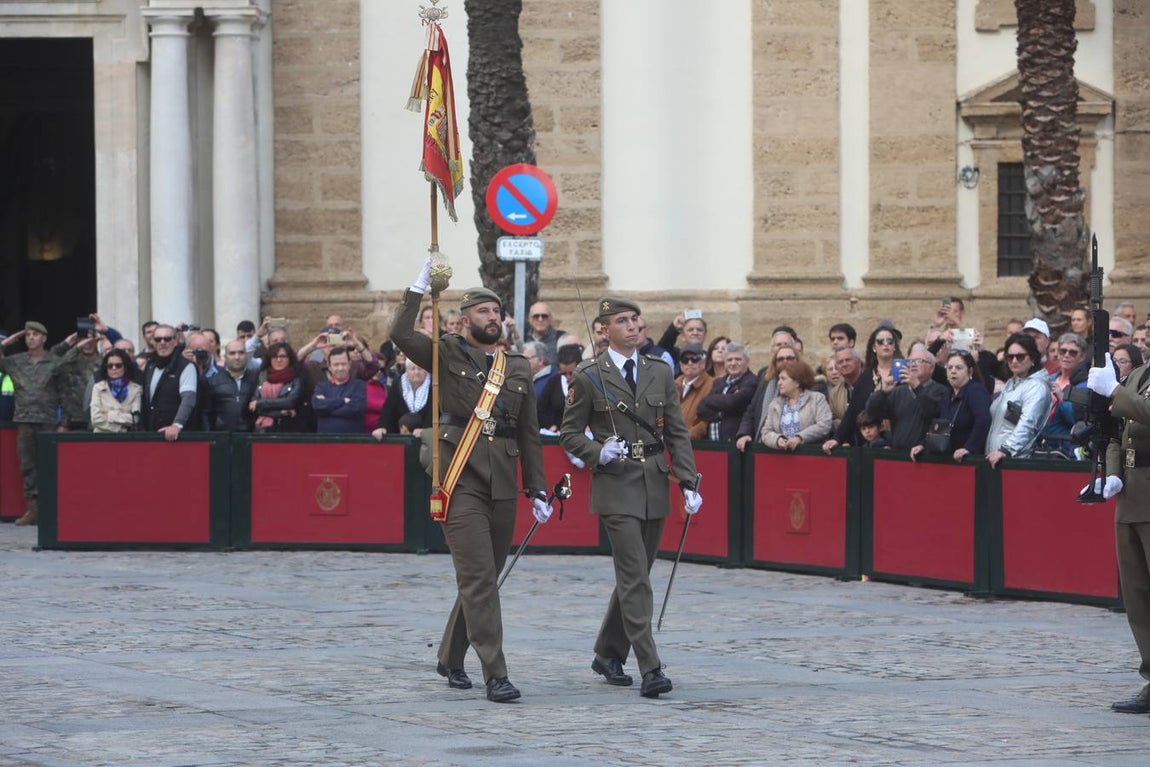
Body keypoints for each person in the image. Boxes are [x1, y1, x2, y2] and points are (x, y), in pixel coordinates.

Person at [392, 261, 550, 704]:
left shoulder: (516, 367)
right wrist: (418, 286)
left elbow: (529, 432)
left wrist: (536, 486)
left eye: (496, 311)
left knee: (485, 577)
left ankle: (449, 655)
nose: (492, 317)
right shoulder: (445, 351)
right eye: (482, 311)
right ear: (464, 320)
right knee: (479, 577)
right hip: (460, 478)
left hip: (502, 479)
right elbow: (400, 334)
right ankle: (495, 674)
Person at [560, 295, 701, 699]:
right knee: (636, 578)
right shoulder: (589, 375)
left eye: (636, 319)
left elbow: (676, 430)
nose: (634, 326)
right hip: (616, 485)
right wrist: (595, 452)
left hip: (654, 482)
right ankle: (650, 666)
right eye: (623, 321)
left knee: (635, 575)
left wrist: (688, 481)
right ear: (604, 330)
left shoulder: (658, 371)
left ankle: (607, 652)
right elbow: (570, 432)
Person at [1084, 351, 1150, 715]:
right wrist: (1112, 473)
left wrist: (1115, 391)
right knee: (1138, 598)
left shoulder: (1127, 385)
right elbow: (1115, 433)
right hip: (1131, 496)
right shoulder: (1138, 375)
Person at [0, 322, 66, 525]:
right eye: (28, 335)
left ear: (44, 338)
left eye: (35, 334)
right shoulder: (16, 361)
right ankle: (33, 510)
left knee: (49, 466)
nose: (31, 338)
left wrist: (64, 422)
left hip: (48, 422)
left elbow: (64, 393)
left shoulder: (55, 362)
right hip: (25, 421)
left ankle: (50, 510)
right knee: (27, 466)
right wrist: (6, 343)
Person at [823, 325, 902, 452]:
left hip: (899, 441)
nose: (885, 344)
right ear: (874, 347)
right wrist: (837, 438)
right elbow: (852, 411)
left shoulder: (905, 373)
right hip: (869, 445)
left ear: (895, 346)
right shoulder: (865, 377)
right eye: (880, 342)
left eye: (890, 341)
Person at [910, 351, 992, 463]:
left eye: (959, 368)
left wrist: (969, 448)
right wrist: (923, 444)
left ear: (970, 371)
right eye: (949, 367)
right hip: (947, 457)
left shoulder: (976, 391)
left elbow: (983, 420)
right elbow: (940, 425)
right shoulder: (948, 394)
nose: (953, 371)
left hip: (967, 460)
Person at [985, 333, 1052, 467]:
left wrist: (1006, 450)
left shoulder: (1037, 387)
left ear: (1032, 357)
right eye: (1009, 357)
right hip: (995, 458)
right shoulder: (1011, 383)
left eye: (1020, 356)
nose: (1014, 361)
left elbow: (1028, 423)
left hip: (1017, 461)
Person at [864, 348, 946, 449]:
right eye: (910, 361)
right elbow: (872, 412)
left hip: (924, 455)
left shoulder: (940, 390)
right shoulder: (898, 391)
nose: (913, 364)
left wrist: (917, 387)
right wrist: (883, 392)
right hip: (899, 455)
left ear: (931, 368)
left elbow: (934, 413)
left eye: (919, 361)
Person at [734, 345, 799, 452]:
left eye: (790, 358)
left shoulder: (809, 386)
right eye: (780, 359)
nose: (785, 361)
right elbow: (752, 411)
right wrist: (744, 433)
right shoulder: (766, 382)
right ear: (775, 363)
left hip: (794, 449)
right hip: (763, 446)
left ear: (798, 360)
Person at [142, 324, 201, 439]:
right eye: (158, 339)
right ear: (153, 342)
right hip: (153, 433)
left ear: (175, 341)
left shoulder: (186, 366)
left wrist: (177, 425)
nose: (162, 342)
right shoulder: (150, 365)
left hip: (178, 436)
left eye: (167, 339)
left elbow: (188, 399)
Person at [759, 360, 833, 451]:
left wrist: (800, 438)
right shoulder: (775, 404)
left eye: (783, 379)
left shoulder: (817, 399)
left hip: (811, 456)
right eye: (779, 379)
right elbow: (766, 431)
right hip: (782, 457)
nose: (779, 383)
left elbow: (825, 424)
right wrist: (777, 440)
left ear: (797, 382)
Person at [696, 342, 757, 442]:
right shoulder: (718, 382)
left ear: (747, 362)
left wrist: (710, 401)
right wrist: (724, 411)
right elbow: (701, 410)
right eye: (729, 360)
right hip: (712, 445)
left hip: (734, 445)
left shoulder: (752, 381)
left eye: (738, 359)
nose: (733, 363)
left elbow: (733, 402)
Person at [250, 342, 309, 433]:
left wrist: (260, 403)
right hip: (263, 431)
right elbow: (254, 407)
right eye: (274, 356)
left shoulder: (297, 377)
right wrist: (280, 413)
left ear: (290, 358)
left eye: (283, 356)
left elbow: (290, 402)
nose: (278, 360)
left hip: (289, 430)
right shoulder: (261, 376)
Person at [205, 339, 259, 431]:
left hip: (250, 437)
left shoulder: (257, 379)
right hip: (222, 437)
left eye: (241, 353)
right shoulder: (212, 381)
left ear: (246, 355)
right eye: (232, 353)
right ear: (225, 356)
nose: (237, 357)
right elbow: (206, 413)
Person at [311, 346, 366, 433]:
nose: (340, 368)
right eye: (336, 364)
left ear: (349, 364)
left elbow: (356, 409)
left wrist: (326, 409)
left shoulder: (359, 385)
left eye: (343, 364)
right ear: (329, 366)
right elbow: (317, 406)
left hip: (353, 442)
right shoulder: (321, 387)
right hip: (325, 442)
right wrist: (343, 401)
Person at [371, 358, 431, 438]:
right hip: (400, 436)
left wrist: (426, 431)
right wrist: (382, 427)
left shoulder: (434, 385)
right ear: (406, 370)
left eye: (420, 369)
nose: (416, 372)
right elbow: (389, 409)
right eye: (412, 369)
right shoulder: (398, 382)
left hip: (427, 438)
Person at [90, 348, 142, 433]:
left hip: (125, 440)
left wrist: (110, 415)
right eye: (110, 366)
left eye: (118, 365)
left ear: (125, 367)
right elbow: (95, 419)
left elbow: (135, 419)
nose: (114, 368)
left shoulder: (136, 389)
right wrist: (121, 428)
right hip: (101, 439)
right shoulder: (98, 387)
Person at [674, 342, 713, 440]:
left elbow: (707, 421)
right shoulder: (672, 385)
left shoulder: (712, 384)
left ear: (703, 363)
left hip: (697, 445)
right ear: (680, 365)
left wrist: (688, 435)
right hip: (669, 443)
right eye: (685, 360)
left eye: (695, 359)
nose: (690, 363)